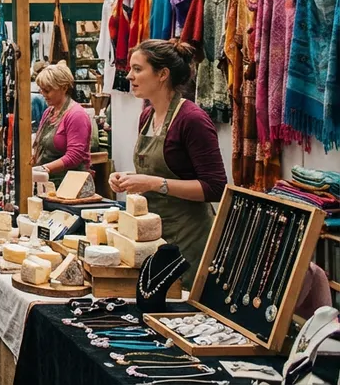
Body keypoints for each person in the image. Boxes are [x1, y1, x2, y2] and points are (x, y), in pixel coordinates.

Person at [111, 39, 226, 287]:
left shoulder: (192, 119)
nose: (129, 76)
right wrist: (128, 178)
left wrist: (153, 183)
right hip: (154, 234)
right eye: (130, 69)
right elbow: (155, 171)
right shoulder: (147, 116)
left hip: (189, 238)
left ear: (163, 74)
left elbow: (216, 187)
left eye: (138, 69)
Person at [32, 63, 92, 185]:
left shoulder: (76, 115)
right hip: (50, 181)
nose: (43, 94)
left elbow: (74, 156)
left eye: (47, 90)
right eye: (41, 89)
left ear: (64, 88)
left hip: (71, 184)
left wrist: (44, 169)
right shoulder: (49, 112)